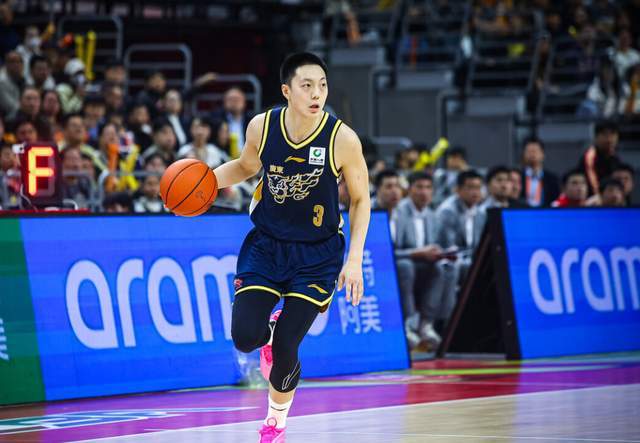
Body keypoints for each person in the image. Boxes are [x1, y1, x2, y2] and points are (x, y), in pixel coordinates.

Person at [212, 52, 370, 441]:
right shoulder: (262, 126)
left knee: (288, 344)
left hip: (317, 254)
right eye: (307, 86)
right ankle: (265, 334)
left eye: (322, 86)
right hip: (267, 245)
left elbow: (360, 199)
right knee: (245, 337)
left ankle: (275, 424)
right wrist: (204, 184)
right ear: (287, 91)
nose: (317, 94)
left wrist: (353, 261)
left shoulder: (342, 138)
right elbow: (246, 167)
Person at [393, 172, 445, 350]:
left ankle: (426, 324)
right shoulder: (399, 212)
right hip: (403, 262)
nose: (424, 192)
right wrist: (416, 253)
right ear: (409, 190)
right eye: (419, 187)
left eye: (428, 188)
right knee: (406, 266)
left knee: (441, 268)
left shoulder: (432, 215)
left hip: (423, 265)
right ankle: (409, 323)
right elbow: (392, 251)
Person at [576, 120, 621, 196]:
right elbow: (592, 184)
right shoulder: (589, 157)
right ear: (596, 137)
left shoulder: (615, 158)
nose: (609, 139)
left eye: (613, 134)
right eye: (605, 135)